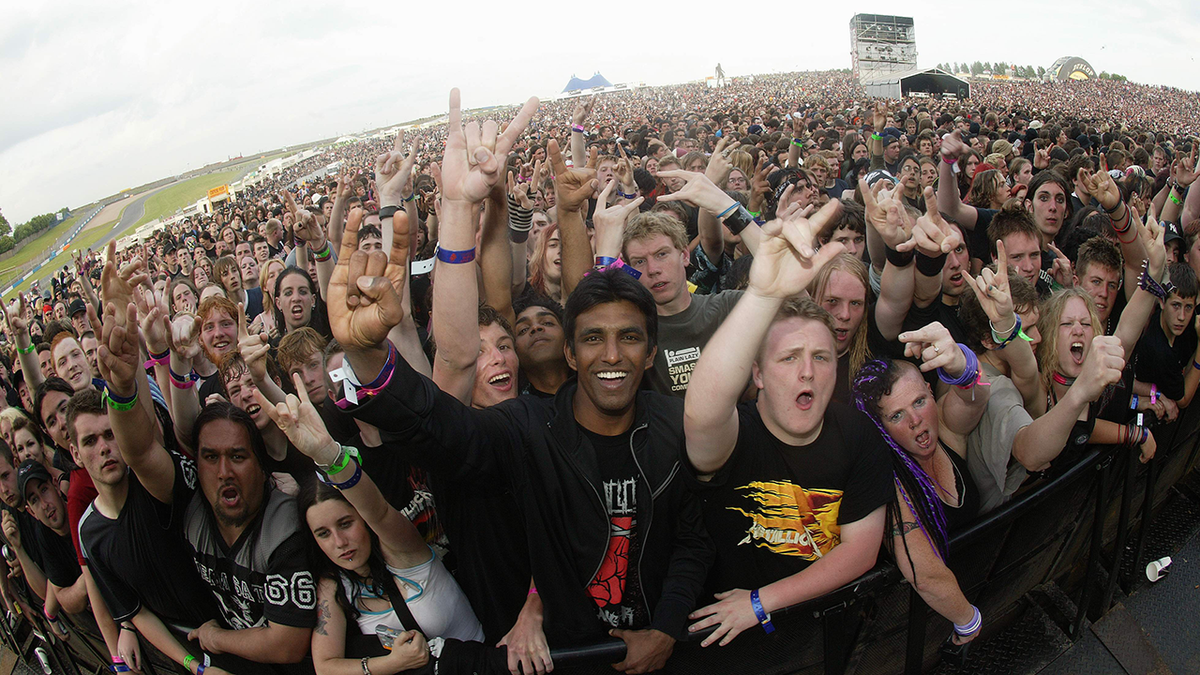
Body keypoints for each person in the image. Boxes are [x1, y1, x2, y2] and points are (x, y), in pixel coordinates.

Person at [325, 89, 713, 673]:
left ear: (651, 349)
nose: (612, 354)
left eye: (630, 338)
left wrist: (665, 629)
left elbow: (693, 537)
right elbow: (442, 409)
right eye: (592, 339)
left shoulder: (674, 424)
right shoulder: (528, 429)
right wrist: (369, 360)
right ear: (572, 353)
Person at [682, 201, 890, 647]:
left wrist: (762, 601)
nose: (807, 372)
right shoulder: (735, 436)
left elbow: (861, 549)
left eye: (819, 357)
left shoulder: (858, 433)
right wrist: (761, 297)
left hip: (827, 635)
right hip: (738, 649)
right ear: (756, 374)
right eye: (788, 358)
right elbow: (703, 412)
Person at [261, 375, 504, 675]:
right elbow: (326, 666)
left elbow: (375, 509)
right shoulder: (335, 585)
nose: (339, 542)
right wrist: (390, 664)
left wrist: (329, 457)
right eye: (323, 533)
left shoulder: (403, 551)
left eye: (346, 523)